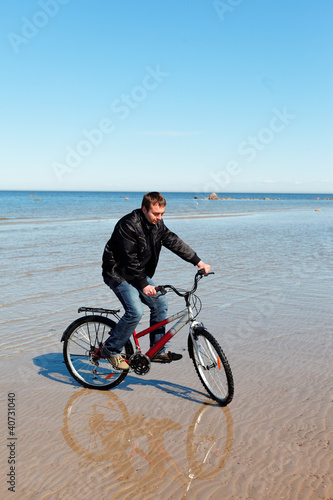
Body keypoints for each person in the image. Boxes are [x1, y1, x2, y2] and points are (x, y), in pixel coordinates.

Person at [101, 192, 210, 370]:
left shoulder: (157, 225)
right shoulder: (128, 225)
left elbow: (174, 242)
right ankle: (111, 349)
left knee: (160, 303)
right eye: (155, 214)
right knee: (135, 312)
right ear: (144, 209)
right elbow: (129, 261)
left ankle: (157, 350)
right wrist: (144, 285)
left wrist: (198, 262)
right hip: (118, 273)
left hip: (137, 273)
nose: (159, 218)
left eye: (162, 214)